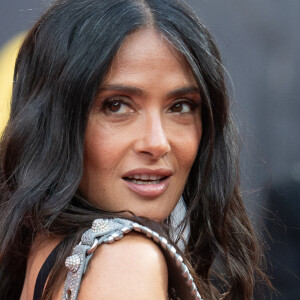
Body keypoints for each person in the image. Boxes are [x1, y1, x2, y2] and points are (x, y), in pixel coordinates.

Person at [0, 0, 270, 299]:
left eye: (180, 107)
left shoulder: (45, 250)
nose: (157, 142)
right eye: (116, 106)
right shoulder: (125, 259)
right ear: (56, 123)